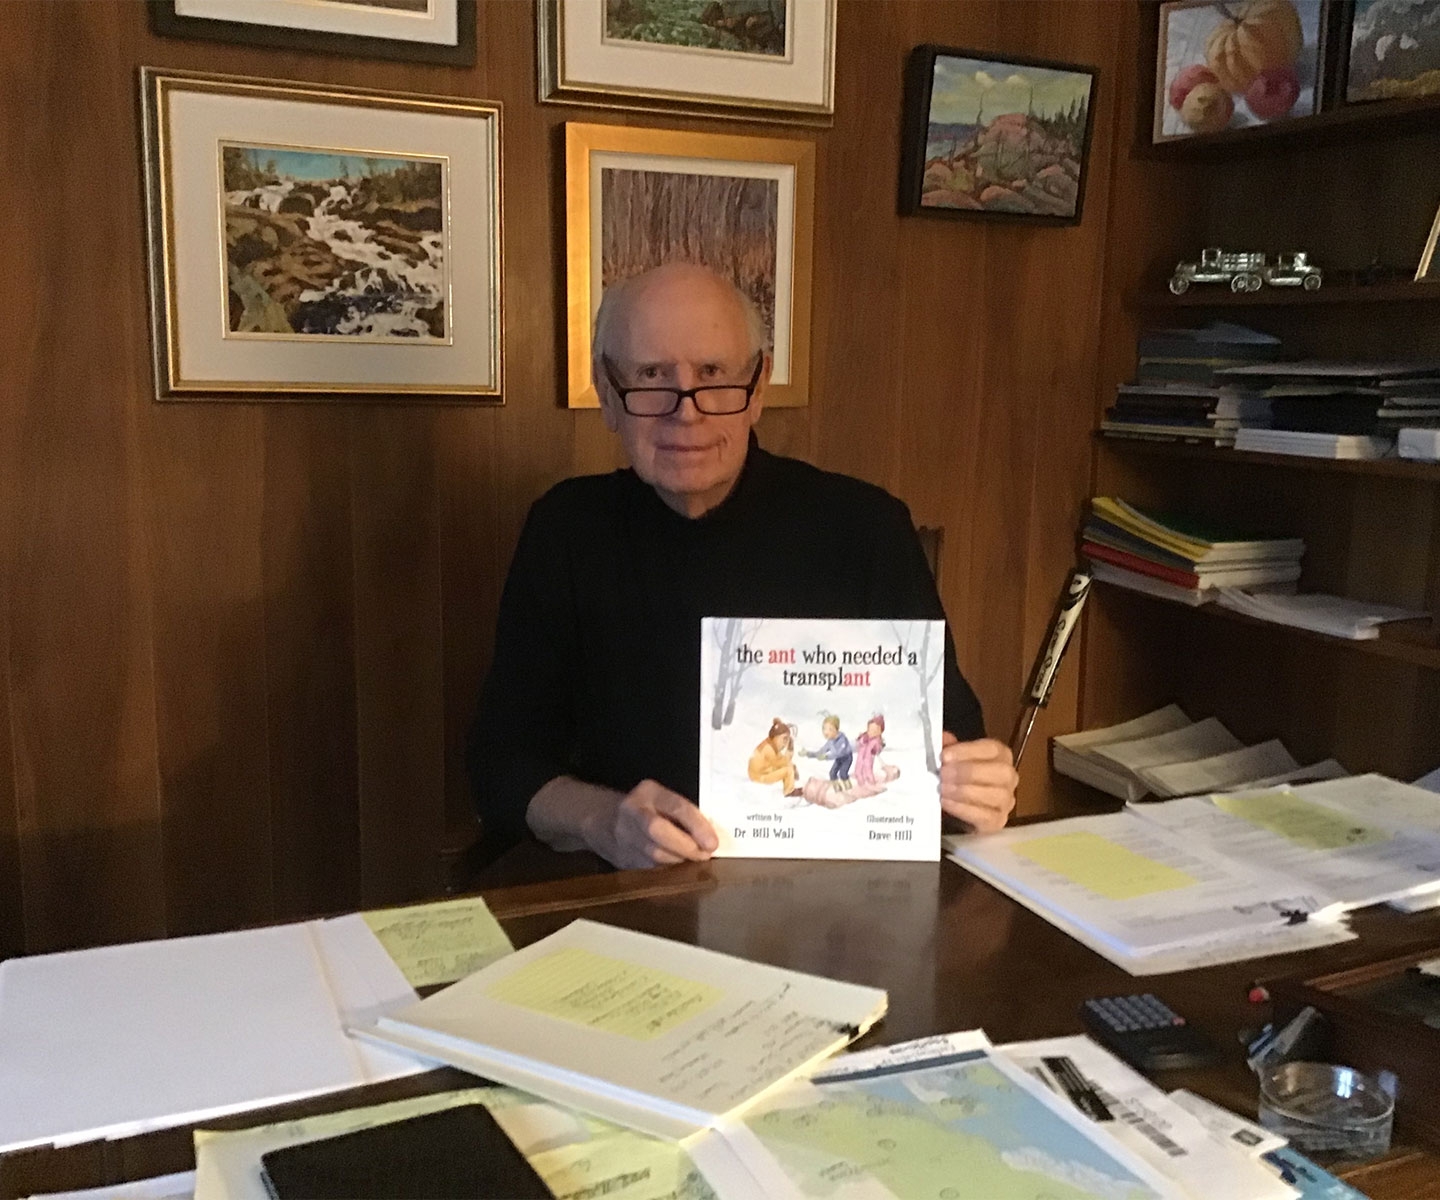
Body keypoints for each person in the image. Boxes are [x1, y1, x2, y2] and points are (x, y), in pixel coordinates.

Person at [468, 263, 1018, 870]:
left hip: (829, 895)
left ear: (756, 391)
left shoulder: (865, 529)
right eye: (652, 376)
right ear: (607, 395)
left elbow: (950, 737)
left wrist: (976, 785)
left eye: (714, 375)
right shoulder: (567, 529)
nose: (687, 411)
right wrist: (604, 821)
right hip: (627, 888)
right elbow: (502, 765)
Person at [748, 718, 800, 796]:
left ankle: (793, 782)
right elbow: (780, 763)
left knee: (790, 765)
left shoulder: (771, 745)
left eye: (787, 739)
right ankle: (789, 792)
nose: (785, 743)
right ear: (776, 737)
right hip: (759, 777)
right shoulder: (768, 749)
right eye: (784, 739)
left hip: (764, 770)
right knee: (788, 770)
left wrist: (792, 765)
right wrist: (790, 749)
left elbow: (782, 760)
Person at [804, 715, 853, 786]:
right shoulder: (830, 742)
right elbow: (821, 751)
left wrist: (826, 757)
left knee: (843, 773)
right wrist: (809, 754)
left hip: (846, 758)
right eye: (824, 729)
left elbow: (839, 753)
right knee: (832, 773)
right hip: (838, 759)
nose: (826, 732)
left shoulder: (842, 740)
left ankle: (849, 788)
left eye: (830, 729)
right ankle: (837, 789)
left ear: (836, 729)